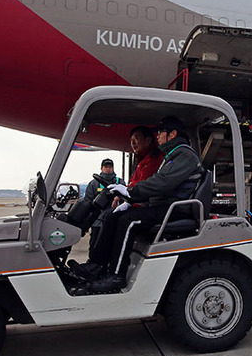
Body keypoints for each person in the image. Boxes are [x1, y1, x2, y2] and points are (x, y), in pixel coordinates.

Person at [84, 115, 203, 293]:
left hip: (175, 208)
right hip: (164, 206)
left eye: (160, 133)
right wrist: (130, 198)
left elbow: (163, 182)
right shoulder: (173, 155)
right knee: (113, 217)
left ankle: (117, 275)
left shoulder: (184, 154)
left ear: (172, 134)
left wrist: (131, 192)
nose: (157, 137)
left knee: (128, 221)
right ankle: (97, 266)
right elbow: (159, 183)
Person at [84, 126, 163, 266]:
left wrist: (126, 196)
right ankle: (97, 264)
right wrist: (121, 197)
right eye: (131, 139)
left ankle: (115, 271)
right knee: (108, 217)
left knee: (123, 221)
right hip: (135, 203)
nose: (133, 143)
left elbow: (143, 188)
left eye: (137, 138)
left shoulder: (154, 159)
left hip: (148, 206)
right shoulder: (142, 160)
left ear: (148, 139)